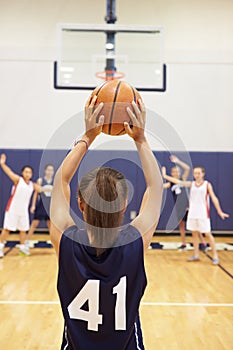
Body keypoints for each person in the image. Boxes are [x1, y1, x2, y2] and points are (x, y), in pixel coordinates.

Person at [50, 95, 163, 349]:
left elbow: (61, 182)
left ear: (80, 204)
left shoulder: (65, 243)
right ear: (124, 206)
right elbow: (156, 187)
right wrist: (141, 139)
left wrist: (88, 136)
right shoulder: (135, 245)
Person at [162, 166, 229, 264]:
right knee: (194, 235)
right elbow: (178, 182)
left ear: (203, 174)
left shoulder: (207, 185)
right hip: (192, 213)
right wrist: (164, 176)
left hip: (203, 214)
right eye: (195, 173)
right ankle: (196, 254)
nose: (196, 175)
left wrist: (219, 211)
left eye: (198, 173)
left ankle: (215, 256)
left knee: (207, 234)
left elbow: (214, 198)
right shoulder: (191, 184)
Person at [0, 154, 41, 257]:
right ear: (23, 173)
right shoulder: (18, 180)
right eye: (26, 172)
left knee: (23, 230)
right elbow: (9, 172)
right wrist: (2, 164)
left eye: (30, 172)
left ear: (32, 174)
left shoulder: (32, 185)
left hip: (23, 212)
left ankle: (22, 248)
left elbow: (43, 189)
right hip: (12, 210)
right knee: (7, 229)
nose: (28, 174)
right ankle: (0, 246)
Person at [163, 155, 206, 250]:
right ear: (171, 173)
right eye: (174, 172)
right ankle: (183, 243)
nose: (175, 173)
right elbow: (161, 186)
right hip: (178, 208)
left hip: (187, 207)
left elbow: (187, 168)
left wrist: (177, 161)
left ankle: (203, 242)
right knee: (182, 226)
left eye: (177, 171)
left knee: (194, 227)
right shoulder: (171, 183)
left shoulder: (183, 179)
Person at [26, 164, 54, 250]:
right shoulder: (40, 181)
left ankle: (54, 242)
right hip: (41, 205)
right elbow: (36, 194)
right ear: (45, 171)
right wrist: (33, 205)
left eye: (51, 170)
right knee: (34, 223)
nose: (49, 172)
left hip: (50, 206)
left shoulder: (55, 181)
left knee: (50, 225)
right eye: (48, 170)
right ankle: (26, 241)